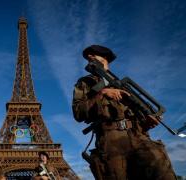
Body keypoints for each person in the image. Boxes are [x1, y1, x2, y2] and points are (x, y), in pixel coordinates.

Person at [72, 45, 177, 180]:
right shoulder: (84, 83)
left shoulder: (123, 84)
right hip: (110, 139)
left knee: (164, 174)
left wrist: (148, 122)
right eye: (88, 58)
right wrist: (103, 93)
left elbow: (140, 113)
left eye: (93, 55)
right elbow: (78, 113)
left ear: (105, 59)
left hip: (139, 135)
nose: (89, 59)